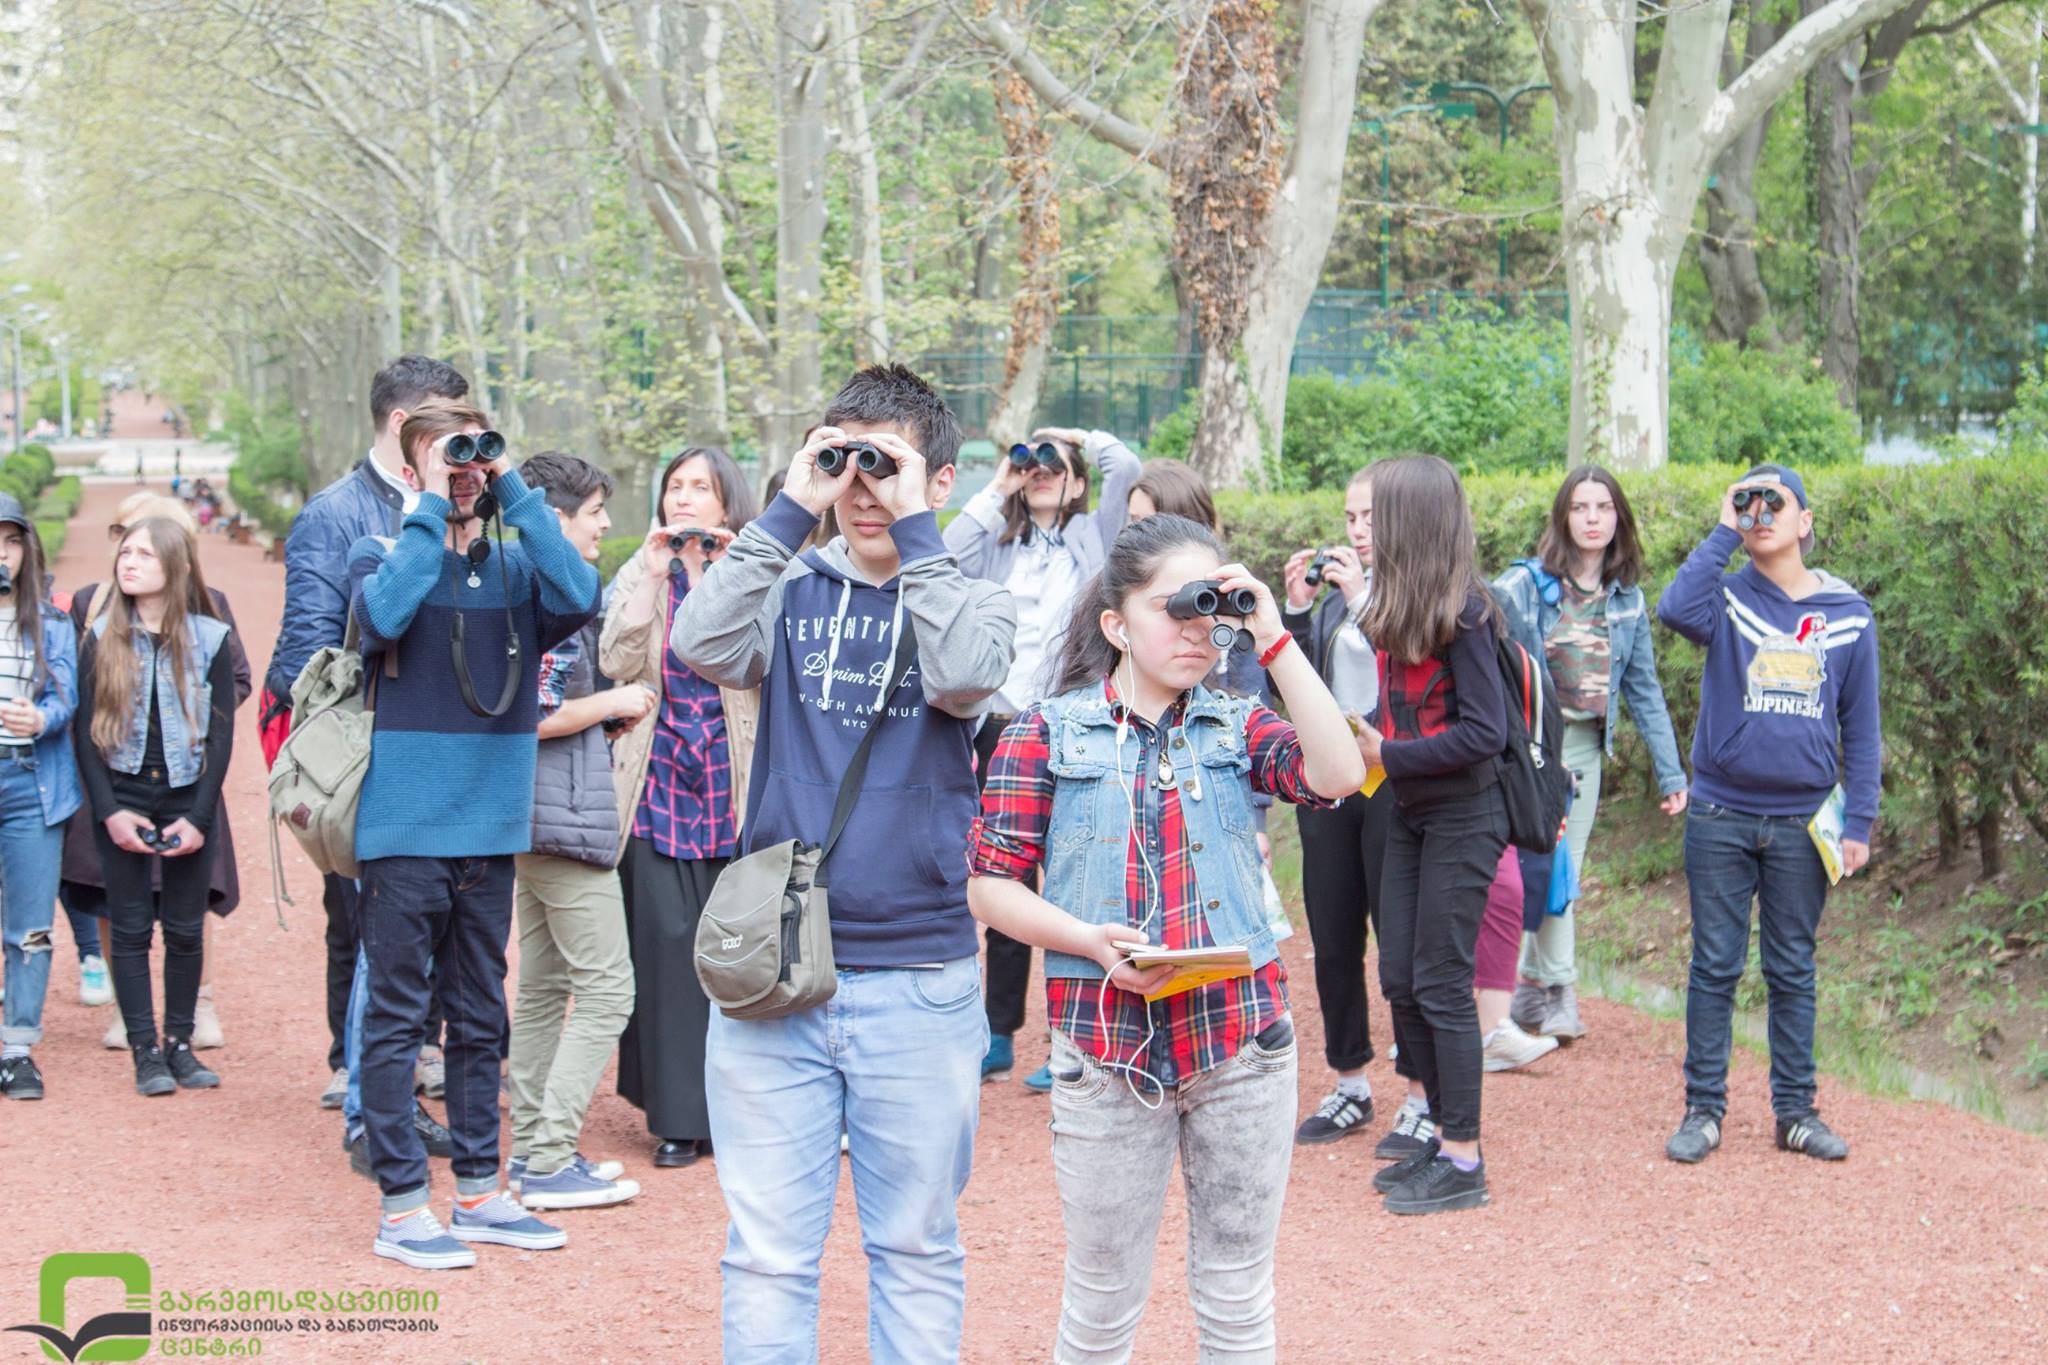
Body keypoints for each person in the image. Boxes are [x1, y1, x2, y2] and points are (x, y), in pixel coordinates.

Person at [672, 363, 1016, 1361]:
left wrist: (917, 536)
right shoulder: (788, 587)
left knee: (914, 1246)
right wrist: (788, 508)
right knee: (767, 1256)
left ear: (940, 480)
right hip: (774, 971)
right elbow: (699, 644)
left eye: (886, 466)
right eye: (845, 463)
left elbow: (963, 676)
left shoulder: (976, 602)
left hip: (919, 976)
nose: (862, 489)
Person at [966, 513, 1363, 1361]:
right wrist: (1086, 938)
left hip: (1242, 1046)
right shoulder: (1043, 732)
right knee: (1101, 1308)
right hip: (1106, 1050)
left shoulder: (1236, 722)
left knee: (1237, 1298)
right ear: (1116, 625)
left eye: (1209, 607)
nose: (1196, 628)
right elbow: (989, 885)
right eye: (1173, 607)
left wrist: (1271, 634)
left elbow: (1338, 773)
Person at [348, 398, 599, 1270]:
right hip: (403, 828)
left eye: (474, 457)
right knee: (396, 1019)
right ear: (410, 466)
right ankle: (401, 1205)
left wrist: (514, 489)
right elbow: (383, 618)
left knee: (481, 1015)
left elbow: (581, 594)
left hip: (489, 829)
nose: (464, 472)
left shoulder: (519, 570)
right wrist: (429, 503)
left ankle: (483, 1193)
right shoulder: (382, 552)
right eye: (446, 456)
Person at [265, 356, 467, 1140]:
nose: (462, 441)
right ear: (404, 424)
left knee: (434, 927)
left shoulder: (467, 499)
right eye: (449, 423)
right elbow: (303, 656)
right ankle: (367, 1099)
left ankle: (403, 1072)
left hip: (451, 751)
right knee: (369, 926)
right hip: (371, 750)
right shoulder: (336, 513)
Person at [1656, 463, 1879, 1166]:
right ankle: (1703, 1111)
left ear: (1805, 520)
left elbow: (1862, 725)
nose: (1761, 512)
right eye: (1748, 501)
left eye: (1774, 501)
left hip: (1802, 822)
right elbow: (1673, 608)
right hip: (1720, 812)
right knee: (1714, 966)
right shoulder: (1725, 598)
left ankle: (1796, 1113)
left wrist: (1859, 822)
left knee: (1792, 969)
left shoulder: (1848, 612)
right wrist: (1725, 526)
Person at [944, 422, 1139, 1089]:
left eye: (1055, 467)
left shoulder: (1094, 538)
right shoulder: (1000, 546)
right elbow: (941, 555)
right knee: (1002, 878)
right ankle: (998, 1033)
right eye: (1033, 466)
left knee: (1075, 878)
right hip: (999, 727)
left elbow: (1126, 466)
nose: (1042, 472)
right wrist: (999, 485)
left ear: (1078, 483)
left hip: (1070, 724)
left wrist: (1073, 436)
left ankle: (1071, 1040)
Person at [1353, 455, 1509, 1215]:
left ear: (1411, 523)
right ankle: (1443, 1134)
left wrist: (1388, 754)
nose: (1367, 528)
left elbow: (1486, 732)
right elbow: (1402, 715)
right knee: (1401, 978)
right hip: (1411, 811)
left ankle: (1464, 1159)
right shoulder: (1395, 606)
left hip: (1466, 814)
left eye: (1379, 514)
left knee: (1443, 981)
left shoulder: (1469, 613)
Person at [599, 445, 759, 1169]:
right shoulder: (644, 569)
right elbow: (615, 660)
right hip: (657, 781)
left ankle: (739, 1112)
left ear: (727, 501)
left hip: (732, 782)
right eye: (675, 486)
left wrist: (720, 571)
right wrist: (653, 569)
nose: (684, 498)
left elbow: (763, 662)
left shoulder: (754, 568)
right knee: (663, 950)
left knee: (735, 952)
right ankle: (676, 1117)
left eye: (700, 486)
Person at [1494, 465, 1688, 1041]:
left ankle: (1543, 991)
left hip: (1583, 751)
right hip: (1528, 748)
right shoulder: (1525, 585)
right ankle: (1543, 989)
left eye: (1603, 507)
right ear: (1563, 517)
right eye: (1580, 507)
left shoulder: (1627, 600)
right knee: (1529, 866)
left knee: (1561, 866)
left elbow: (1644, 690)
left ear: (1618, 518)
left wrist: (1671, 773)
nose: (1592, 518)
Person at [501, 451, 645, 1210]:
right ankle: (549, 1156)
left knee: (544, 987)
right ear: (553, 519)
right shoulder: (553, 590)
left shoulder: (518, 580)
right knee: (608, 990)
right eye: (593, 512)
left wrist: (599, 719)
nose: (604, 524)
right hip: (561, 819)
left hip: (531, 814)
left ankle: (534, 1149)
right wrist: (616, 701)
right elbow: (535, 713)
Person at [67, 495, 252, 1055]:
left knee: (187, 912)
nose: (130, 557)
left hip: (185, 774)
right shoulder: (92, 609)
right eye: (125, 540)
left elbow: (233, 685)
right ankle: (132, 1019)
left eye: (148, 546)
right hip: (116, 777)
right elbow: (81, 704)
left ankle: (195, 1010)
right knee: (115, 902)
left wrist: (185, 718)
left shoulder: (209, 616)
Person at [1273, 465, 1407, 1147]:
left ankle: (1423, 1091)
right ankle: (1350, 1082)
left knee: (1400, 943)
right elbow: (1296, 689)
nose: (1357, 531)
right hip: (1331, 783)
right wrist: (1298, 610)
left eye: (1371, 518)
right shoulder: (1332, 601)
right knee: (1331, 936)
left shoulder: (1413, 591)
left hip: (1395, 783)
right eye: (1351, 518)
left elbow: (1408, 669)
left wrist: (1361, 599)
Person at [0, 497, 81, 1101]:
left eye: (10, 541)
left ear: (27, 549)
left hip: (31, 783)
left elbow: (66, 699)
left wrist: (42, 718)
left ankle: (17, 1049)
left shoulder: (51, 621)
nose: (1, 553)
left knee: (31, 925)